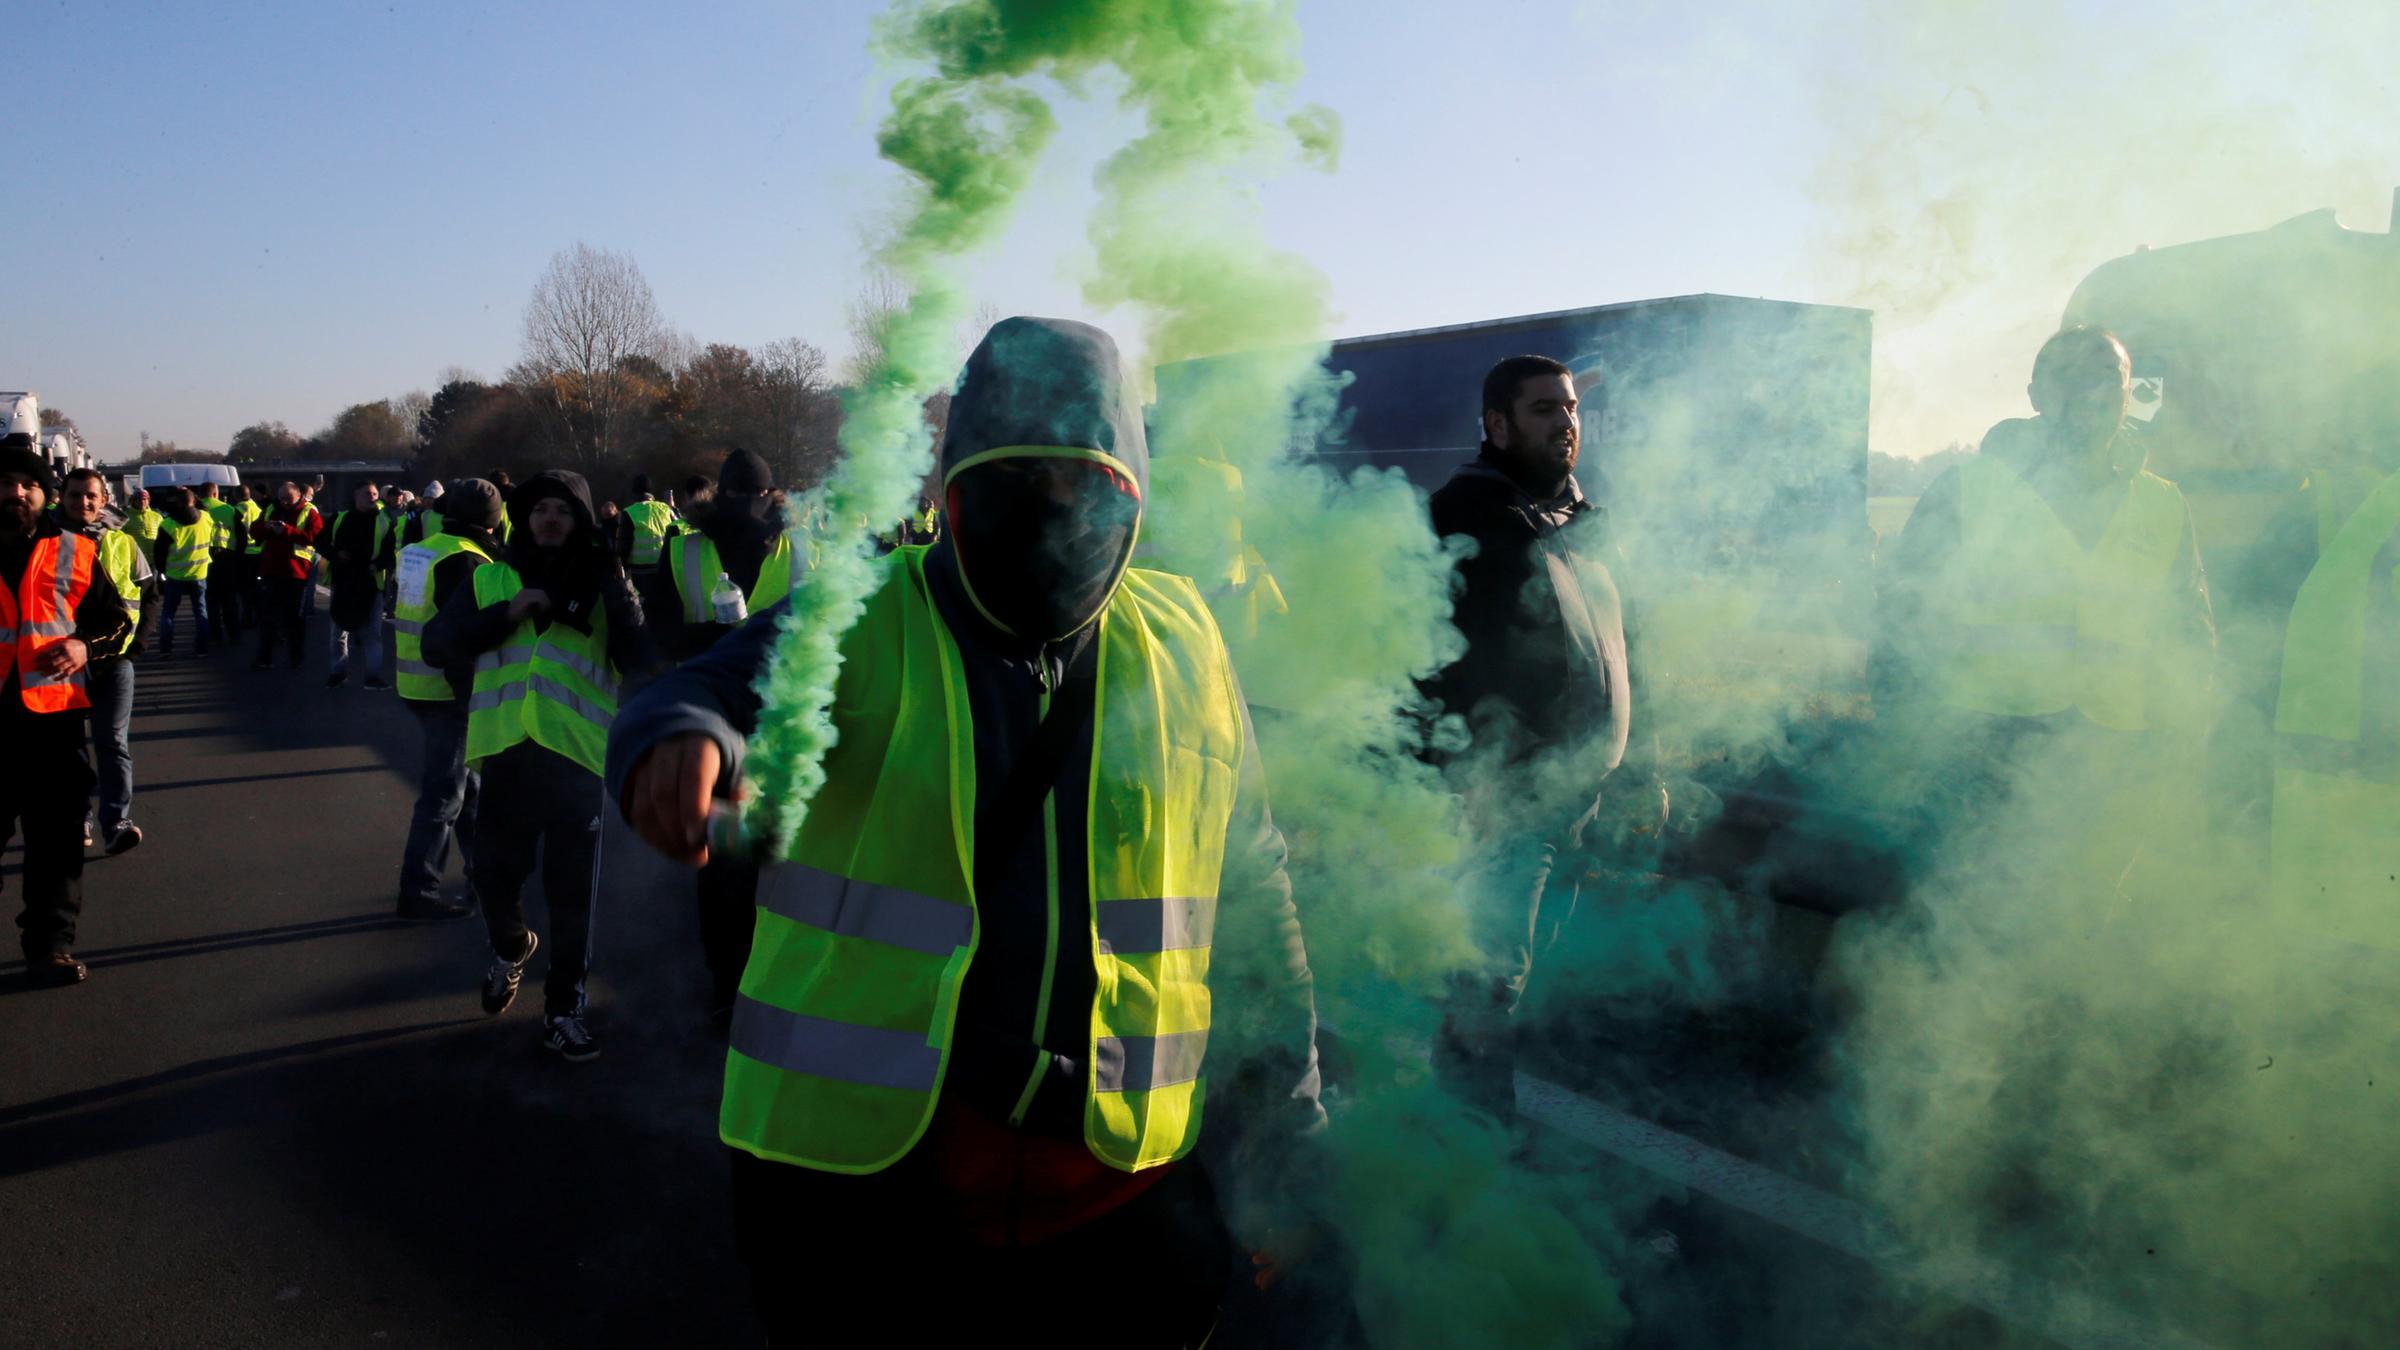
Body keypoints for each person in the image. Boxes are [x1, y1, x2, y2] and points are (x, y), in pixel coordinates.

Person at [607, 317, 1322, 1342]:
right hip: (864, 1206)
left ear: (1134, 491)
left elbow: (1254, 896)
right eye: (1015, 488)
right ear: (950, 495)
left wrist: (1287, 1148)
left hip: (1128, 1208)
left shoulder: (1185, 640)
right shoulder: (855, 617)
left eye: (1085, 488)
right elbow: (709, 688)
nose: (1051, 521)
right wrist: (678, 740)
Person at [1875, 326, 2216, 889]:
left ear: (2132, 393)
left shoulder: (2164, 504)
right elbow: (1900, 625)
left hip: (2111, 754)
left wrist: (2179, 747)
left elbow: (2189, 636)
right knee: (1967, 915)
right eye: (2069, 376)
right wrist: (1905, 750)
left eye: (2108, 376)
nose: (2089, 391)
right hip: (1980, 755)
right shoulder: (1966, 492)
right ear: (2034, 394)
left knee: (2079, 916)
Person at [1419, 354, 1663, 1116]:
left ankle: (1479, 1115)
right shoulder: (1467, 519)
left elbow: (1628, 651)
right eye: (1543, 410)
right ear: (1497, 425)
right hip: (1509, 802)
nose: (1565, 423)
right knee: (1489, 979)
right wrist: (1469, 785)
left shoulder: (1580, 520)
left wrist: (1639, 764)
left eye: (1570, 409)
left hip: (1578, 796)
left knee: (1527, 973)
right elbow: (1430, 668)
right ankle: (1470, 1144)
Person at [425, 471, 651, 1060]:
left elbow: (638, 656)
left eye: (564, 511)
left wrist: (614, 577)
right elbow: (437, 644)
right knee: (493, 876)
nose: (550, 519)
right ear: (523, 519)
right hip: (506, 752)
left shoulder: (602, 583)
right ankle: (511, 945)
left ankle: (564, 1010)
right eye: (540, 509)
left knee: (572, 896)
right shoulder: (488, 578)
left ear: (580, 522)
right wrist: (508, 613)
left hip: (576, 757)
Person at [644, 447, 796, 1028]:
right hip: (714, 724)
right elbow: (658, 629)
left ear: (768, 497)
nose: (742, 508)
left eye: (749, 498)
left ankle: (768, 977)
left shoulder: (803, 547)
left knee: (784, 859)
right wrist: (713, 643)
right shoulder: (684, 547)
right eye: (733, 499)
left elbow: (835, 629)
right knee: (727, 862)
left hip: (785, 726)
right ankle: (729, 983)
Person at [2, 436, 131, 986]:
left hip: (51, 724)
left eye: (27, 485)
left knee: (55, 847)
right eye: (5, 484)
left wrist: (82, 646)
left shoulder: (74, 550)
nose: (16, 493)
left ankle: (49, 948)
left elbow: (116, 623)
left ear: (44, 493)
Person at [390, 479, 504, 923]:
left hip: (414, 684)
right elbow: (461, 637)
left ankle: (485, 880)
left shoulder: (421, 548)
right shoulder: (467, 560)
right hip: (448, 691)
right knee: (445, 796)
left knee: (469, 791)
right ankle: (418, 890)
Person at [59, 469, 151, 855]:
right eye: (76, 495)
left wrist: (136, 645)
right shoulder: (46, 541)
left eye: (92, 496)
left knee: (112, 742)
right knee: (69, 747)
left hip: (114, 659)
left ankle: (116, 822)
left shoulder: (124, 542)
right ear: (62, 497)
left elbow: (150, 593)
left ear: (103, 500)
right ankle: (78, 818)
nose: (85, 502)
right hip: (60, 662)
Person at [324, 482, 395, 689]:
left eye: (374, 494)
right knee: (338, 631)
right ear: (355, 495)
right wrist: (336, 554)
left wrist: (377, 565)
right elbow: (320, 542)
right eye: (367, 494)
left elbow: (390, 553)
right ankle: (338, 672)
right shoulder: (340, 518)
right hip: (343, 582)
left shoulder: (383, 521)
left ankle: (373, 676)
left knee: (373, 633)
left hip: (370, 584)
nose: (372, 497)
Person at [248, 481, 323, 671]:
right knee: (268, 618)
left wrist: (287, 531)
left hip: (296, 572)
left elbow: (316, 537)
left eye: (288, 499)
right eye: (281, 498)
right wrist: (268, 527)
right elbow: (254, 530)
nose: (284, 502)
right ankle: (265, 657)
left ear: (299, 496)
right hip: (271, 570)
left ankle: (296, 658)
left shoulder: (309, 511)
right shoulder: (272, 508)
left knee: (295, 619)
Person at [151, 487, 216, 659]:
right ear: (194, 501)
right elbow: (203, 507)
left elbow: (159, 553)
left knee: (168, 614)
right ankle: (202, 648)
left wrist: (162, 570)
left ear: (176, 503)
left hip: (175, 575)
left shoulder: (168, 525)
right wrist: (191, 495)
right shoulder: (206, 518)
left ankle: (166, 649)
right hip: (199, 574)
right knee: (201, 612)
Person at [200, 481, 247, 645]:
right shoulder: (230, 510)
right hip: (227, 559)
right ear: (215, 493)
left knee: (210, 601)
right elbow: (242, 537)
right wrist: (238, 557)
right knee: (229, 600)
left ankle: (215, 635)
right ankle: (234, 634)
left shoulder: (197, 509)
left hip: (204, 559)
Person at [616, 473, 678, 578]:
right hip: (668, 567)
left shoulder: (629, 512)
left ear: (634, 492)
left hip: (642, 571)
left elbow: (624, 545)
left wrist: (623, 568)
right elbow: (681, 529)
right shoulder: (666, 508)